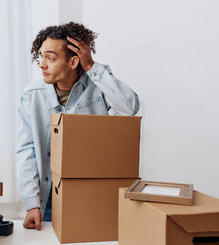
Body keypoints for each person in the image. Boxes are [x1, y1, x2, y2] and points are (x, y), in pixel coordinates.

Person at [16, 22, 139, 230]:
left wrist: (92, 67)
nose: (42, 64)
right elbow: (26, 150)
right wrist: (31, 203)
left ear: (73, 62)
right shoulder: (32, 96)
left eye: (50, 58)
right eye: (41, 56)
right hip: (46, 201)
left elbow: (130, 107)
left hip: (90, 196)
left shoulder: (98, 87)